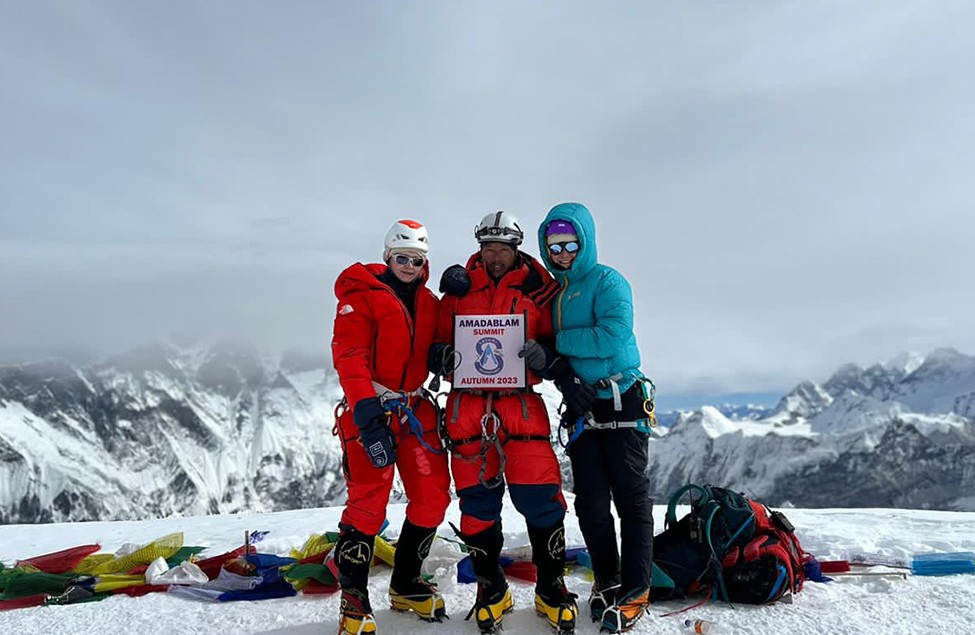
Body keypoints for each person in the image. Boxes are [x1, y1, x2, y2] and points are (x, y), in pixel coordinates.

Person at [433, 210, 579, 634]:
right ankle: (490, 587)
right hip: (467, 411)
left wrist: (546, 359)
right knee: (477, 507)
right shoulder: (458, 291)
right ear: (480, 248)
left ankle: (551, 588)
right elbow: (437, 342)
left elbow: (558, 347)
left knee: (542, 501)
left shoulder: (540, 291)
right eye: (488, 248)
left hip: (521, 408)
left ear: (517, 249)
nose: (495, 257)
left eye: (503, 249)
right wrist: (439, 357)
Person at [532, 202, 656, 634]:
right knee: (590, 502)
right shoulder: (555, 291)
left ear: (585, 242)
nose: (562, 253)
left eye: (570, 244)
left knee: (630, 498)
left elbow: (613, 333)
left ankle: (637, 586)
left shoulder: (607, 281)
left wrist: (557, 345)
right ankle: (609, 578)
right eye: (554, 246)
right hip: (584, 404)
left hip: (622, 397)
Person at [331, 219, 452, 635]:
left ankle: (405, 583)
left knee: (433, 497)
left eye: (416, 260)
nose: (408, 265)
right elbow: (349, 353)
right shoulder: (359, 297)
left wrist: (463, 290)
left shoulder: (430, 302)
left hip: (415, 408)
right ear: (387, 257)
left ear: (425, 264)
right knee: (367, 504)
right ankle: (354, 596)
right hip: (372, 408)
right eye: (401, 257)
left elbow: (443, 338)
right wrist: (365, 411)